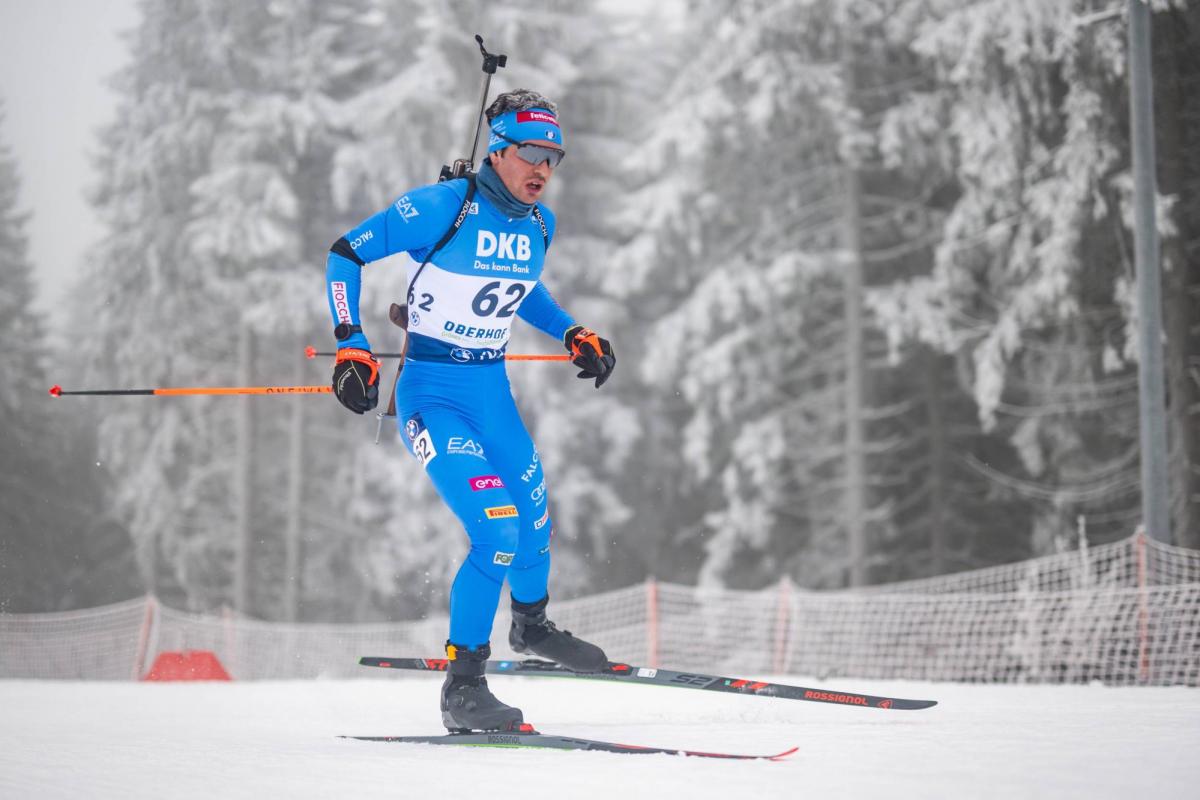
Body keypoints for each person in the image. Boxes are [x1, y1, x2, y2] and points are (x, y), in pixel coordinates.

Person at [324, 89, 616, 733]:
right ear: (500, 150)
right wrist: (351, 343)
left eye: (554, 157)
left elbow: (521, 287)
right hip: (433, 398)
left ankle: (531, 627)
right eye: (532, 153)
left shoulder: (540, 225)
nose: (542, 168)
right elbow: (346, 253)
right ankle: (463, 688)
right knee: (498, 529)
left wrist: (572, 332)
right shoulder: (441, 208)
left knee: (536, 521)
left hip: (493, 395)